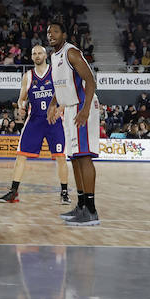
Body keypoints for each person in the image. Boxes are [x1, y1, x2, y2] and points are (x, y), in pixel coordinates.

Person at [0, 45, 70, 206]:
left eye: (40, 53)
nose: (37, 55)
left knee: (60, 158)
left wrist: (61, 109)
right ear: (31, 57)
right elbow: (21, 98)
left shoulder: (56, 73)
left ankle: (64, 192)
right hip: (35, 121)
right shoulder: (28, 76)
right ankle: (13, 192)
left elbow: (66, 95)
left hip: (54, 121)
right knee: (21, 155)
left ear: (46, 55)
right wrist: (21, 107)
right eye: (34, 53)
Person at [47, 20, 100, 227]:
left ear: (64, 35)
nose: (51, 35)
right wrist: (53, 104)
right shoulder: (54, 56)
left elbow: (90, 81)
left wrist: (86, 109)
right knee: (75, 158)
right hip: (68, 108)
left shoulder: (72, 53)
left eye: (55, 32)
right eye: (49, 32)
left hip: (81, 106)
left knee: (84, 157)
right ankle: (82, 206)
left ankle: (92, 210)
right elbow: (59, 86)